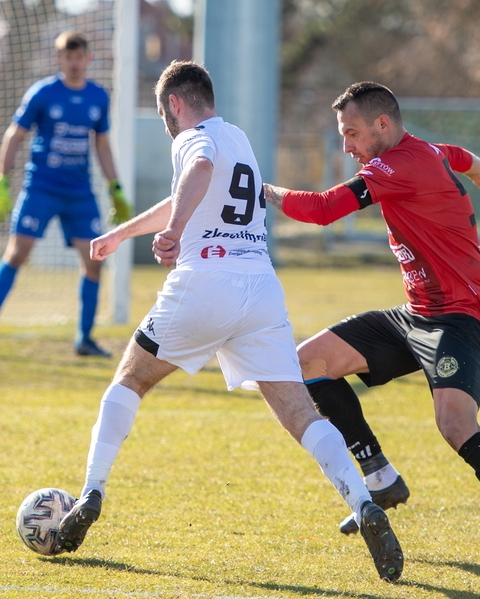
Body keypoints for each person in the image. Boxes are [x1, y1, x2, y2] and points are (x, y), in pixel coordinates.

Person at [53, 62, 404, 582]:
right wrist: (122, 234)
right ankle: (363, 500)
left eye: (162, 113)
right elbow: (191, 191)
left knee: (129, 379)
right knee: (298, 411)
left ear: (175, 103)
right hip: (260, 290)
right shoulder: (237, 137)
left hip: (205, 281)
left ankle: (91, 493)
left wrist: (173, 233)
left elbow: (194, 174)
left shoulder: (191, 138)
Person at [263, 81, 480, 574]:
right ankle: (378, 475)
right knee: (309, 363)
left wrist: (265, 189)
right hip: (416, 314)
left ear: (383, 125)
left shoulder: (397, 165)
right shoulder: (425, 151)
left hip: (462, 317)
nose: (347, 146)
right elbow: (456, 154)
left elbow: (320, 211)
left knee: (456, 425)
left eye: (352, 133)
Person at [0, 31, 132, 357]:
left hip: (79, 193)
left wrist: (114, 187)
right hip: (41, 188)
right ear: (60, 59)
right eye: (68, 57)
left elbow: (101, 144)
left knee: (94, 261)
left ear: (89, 59)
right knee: (17, 254)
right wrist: (1, 182)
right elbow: (15, 135)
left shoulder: (98, 97)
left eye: (79, 57)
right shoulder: (42, 93)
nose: (74, 63)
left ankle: (84, 339)